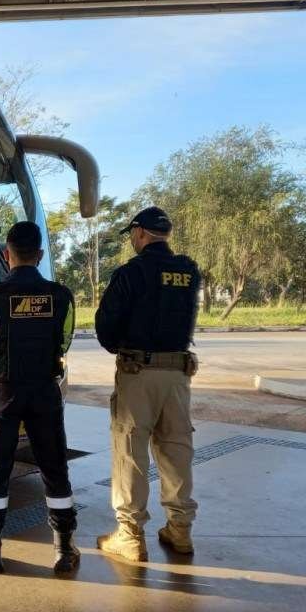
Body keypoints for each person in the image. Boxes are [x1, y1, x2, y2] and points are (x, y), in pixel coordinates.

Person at [0, 221, 79, 575]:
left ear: (6, 255)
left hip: (1, 393)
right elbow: (64, 341)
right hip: (44, 391)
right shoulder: (62, 297)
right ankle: (63, 549)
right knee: (54, 466)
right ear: (40, 255)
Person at [94, 206, 201, 562]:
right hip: (178, 374)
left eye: (132, 235)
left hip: (138, 373)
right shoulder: (188, 272)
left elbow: (106, 325)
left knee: (131, 452)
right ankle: (180, 528)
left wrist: (122, 348)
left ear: (139, 233)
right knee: (176, 449)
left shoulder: (131, 272)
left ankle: (129, 535)